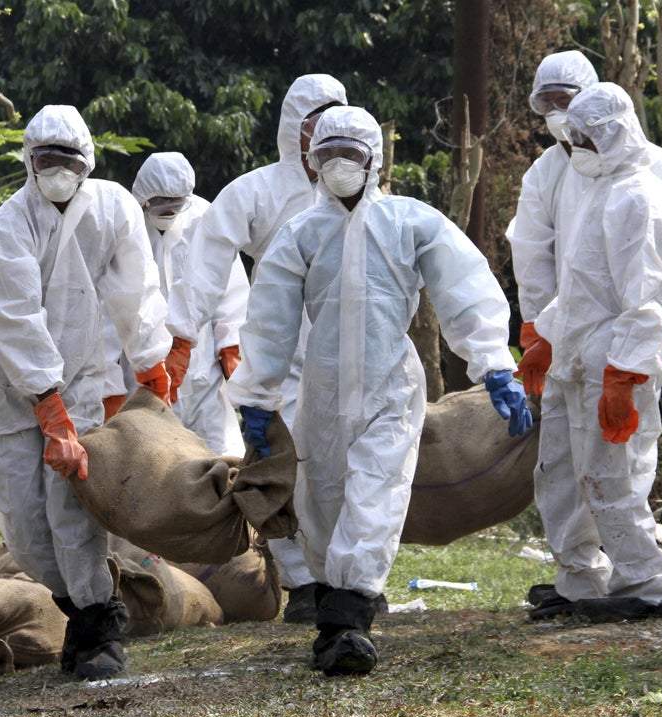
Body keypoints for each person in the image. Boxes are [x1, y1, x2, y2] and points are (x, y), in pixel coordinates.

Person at [226, 105, 532, 675]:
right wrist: (258, 399)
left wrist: (493, 361)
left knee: (376, 492)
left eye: (350, 154)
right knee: (324, 501)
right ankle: (333, 611)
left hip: (391, 385)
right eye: (327, 155)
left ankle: (349, 620)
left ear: (374, 161)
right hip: (319, 392)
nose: (338, 165)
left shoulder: (411, 222)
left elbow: (465, 287)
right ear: (311, 162)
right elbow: (268, 322)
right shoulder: (300, 234)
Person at [0, 104, 173, 680]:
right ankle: (80, 611)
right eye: (46, 160)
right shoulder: (4, 229)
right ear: (30, 162)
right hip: (10, 387)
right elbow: (15, 320)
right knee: (27, 527)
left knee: (74, 513)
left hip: (81, 377)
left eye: (69, 159)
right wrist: (46, 405)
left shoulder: (112, 209)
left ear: (88, 161)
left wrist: (150, 359)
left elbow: (135, 287)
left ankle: (96, 624)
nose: (58, 170)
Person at [508, 51, 662, 612]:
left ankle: (642, 584)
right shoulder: (581, 179)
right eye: (546, 104)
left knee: (613, 473)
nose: (567, 131)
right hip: (577, 351)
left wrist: (633, 362)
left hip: (616, 354)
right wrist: (542, 334)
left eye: (573, 116)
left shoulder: (637, 190)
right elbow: (568, 277)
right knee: (561, 473)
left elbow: (649, 286)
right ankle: (581, 580)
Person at [165, 74, 347, 622]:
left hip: (350, 350)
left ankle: (350, 577)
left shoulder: (364, 193)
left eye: (332, 121)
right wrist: (181, 335)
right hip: (277, 353)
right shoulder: (257, 191)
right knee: (277, 467)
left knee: (347, 465)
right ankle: (301, 581)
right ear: (292, 126)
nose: (321, 135)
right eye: (311, 122)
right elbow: (207, 261)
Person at [121, 151, 249, 456]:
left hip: (202, 370)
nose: (168, 211)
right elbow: (115, 303)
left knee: (219, 459)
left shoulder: (205, 219)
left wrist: (232, 349)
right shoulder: (127, 228)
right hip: (144, 375)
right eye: (160, 204)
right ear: (142, 200)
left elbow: (230, 293)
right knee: (155, 467)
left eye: (174, 204)